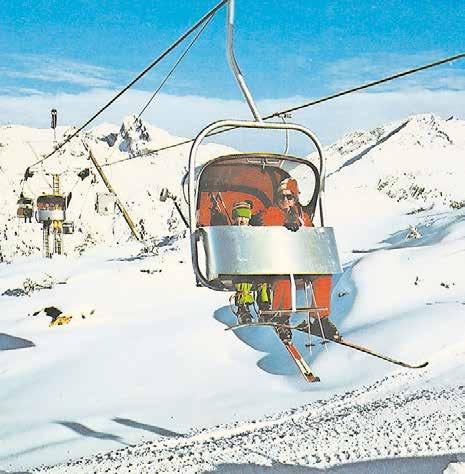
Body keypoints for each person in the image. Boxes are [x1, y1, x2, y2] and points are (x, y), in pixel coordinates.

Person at [257, 178, 339, 342]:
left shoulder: (302, 216)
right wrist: (284, 225)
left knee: (323, 277)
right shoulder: (272, 212)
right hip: (278, 264)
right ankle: (281, 318)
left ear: (295, 198)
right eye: (282, 197)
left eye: (289, 197)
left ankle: (319, 319)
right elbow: (268, 222)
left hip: (301, 262)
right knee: (284, 280)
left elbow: (310, 234)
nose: (285, 200)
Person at [231, 201, 271, 324]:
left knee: (263, 281)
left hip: (255, 263)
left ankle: (264, 307)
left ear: (248, 218)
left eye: (244, 216)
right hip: (240, 265)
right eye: (238, 216)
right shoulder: (230, 232)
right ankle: (243, 307)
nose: (241, 220)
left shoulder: (254, 232)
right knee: (243, 280)